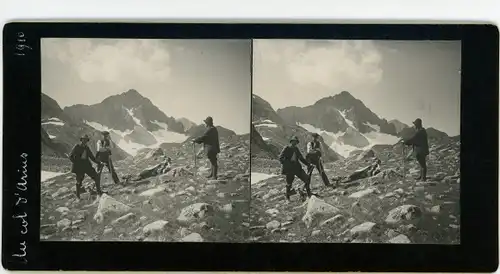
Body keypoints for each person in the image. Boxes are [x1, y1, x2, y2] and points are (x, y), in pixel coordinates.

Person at [279, 136, 314, 201]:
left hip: (297, 168)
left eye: (296, 142)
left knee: (306, 179)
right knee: (289, 183)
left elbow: (301, 158)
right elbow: (281, 158)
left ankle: (309, 194)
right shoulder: (286, 148)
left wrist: (308, 164)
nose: (295, 143)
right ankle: (287, 197)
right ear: (291, 141)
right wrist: (288, 163)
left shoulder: (296, 149)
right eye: (294, 141)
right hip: (289, 169)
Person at [69, 134, 102, 198]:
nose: (85, 141)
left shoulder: (87, 148)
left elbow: (92, 157)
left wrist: (98, 162)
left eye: (86, 140)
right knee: (79, 181)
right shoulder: (77, 146)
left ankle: (99, 192)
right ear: (81, 140)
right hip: (79, 166)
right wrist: (76, 162)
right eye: (84, 139)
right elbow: (70, 156)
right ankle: (78, 196)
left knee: (96, 177)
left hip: (86, 165)